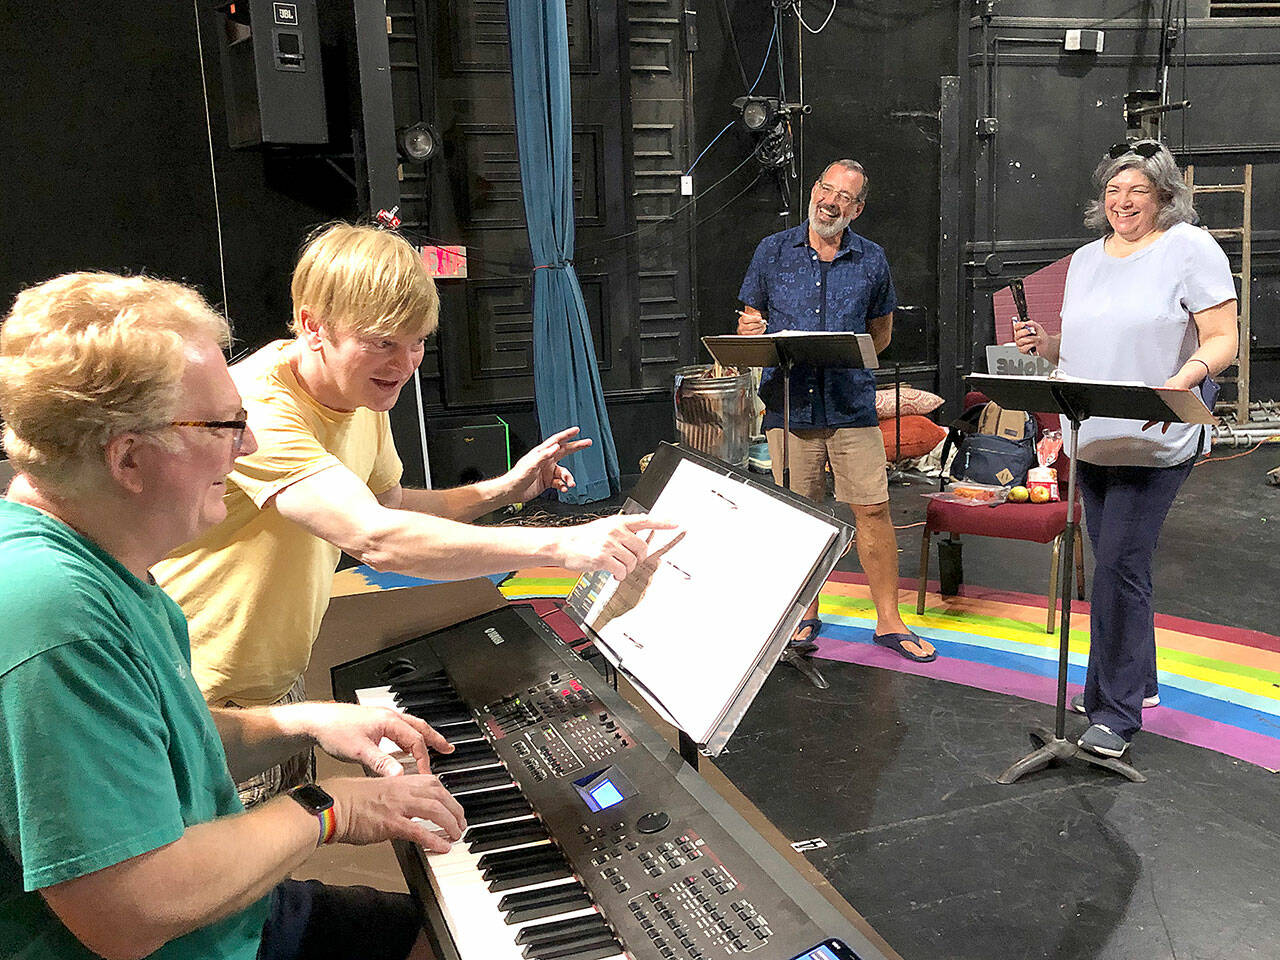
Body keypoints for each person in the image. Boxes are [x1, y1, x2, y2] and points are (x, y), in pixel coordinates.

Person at [0, 272, 470, 960]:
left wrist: (298, 722)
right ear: (129, 457)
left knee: (443, 935)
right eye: (226, 425)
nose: (247, 448)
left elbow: (147, 745)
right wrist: (328, 809)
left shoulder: (94, 564)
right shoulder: (58, 617)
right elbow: (133, 908)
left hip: (235, 920)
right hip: (176, 939)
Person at [153, 222, 671, 804]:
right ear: (312, 324)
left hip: (275, 685)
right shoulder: (260, 409)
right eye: (382, 342)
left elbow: (389, 504)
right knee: (227, 879)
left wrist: (504, 490)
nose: (404, 363)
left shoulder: (358, 392)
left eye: (417, 341)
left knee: (276, 873)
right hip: (200, 695)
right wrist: (564, 546)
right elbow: (375, 538)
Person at [1015, 139, 1237, 758]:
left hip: (1158, 437)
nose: (1122, 201)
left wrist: (1186, 375)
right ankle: (1139, 679)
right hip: (1095, 439)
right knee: (1120, 568)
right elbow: (1088, 346)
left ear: (1165, 196)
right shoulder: (1086, 259)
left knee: (1117, 567)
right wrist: (1048, 345)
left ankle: (1114, 714)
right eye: (1114, 191)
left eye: (1137, 190)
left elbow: (1223, 338)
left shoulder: (1189, 247)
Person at [737, 159, 936, 664]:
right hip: (789, 404)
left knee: (873, 509)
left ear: (857, 208)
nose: (831, 201)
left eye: (844, 196)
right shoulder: (772, 251)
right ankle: (804, 610)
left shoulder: (872, 260)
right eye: (826, 189)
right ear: (813, 191)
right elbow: (750, 319)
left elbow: (882, 333)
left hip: (850, 405)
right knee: (796, 517)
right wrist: (750, 333)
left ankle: (888, 621)